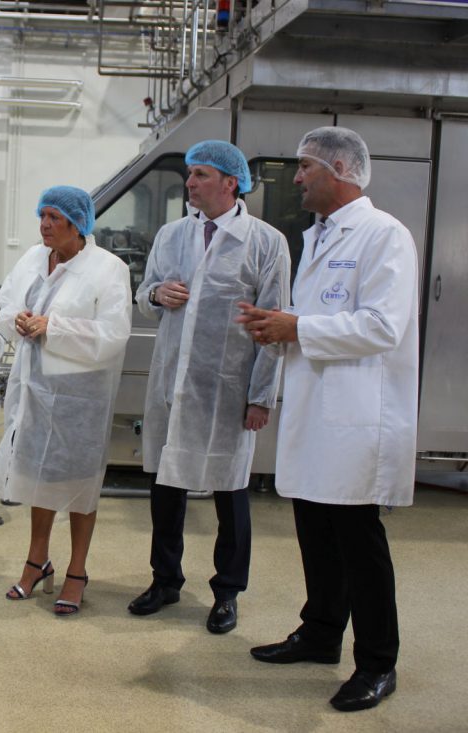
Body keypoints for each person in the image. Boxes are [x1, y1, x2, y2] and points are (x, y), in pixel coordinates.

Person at [237, 127, 418, 712]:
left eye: (305, 167)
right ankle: (320, 634)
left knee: (358, 542)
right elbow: (322, 317)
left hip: (357, 416)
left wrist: (298, 327)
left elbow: (382, 327)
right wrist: (280, 325)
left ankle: (378, 663)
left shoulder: (383, 234)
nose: (296, 178)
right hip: (317, 410)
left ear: (340, 169)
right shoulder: (317, 236)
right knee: (315, 530)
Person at [130, 140, 291, 634]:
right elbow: (143, 295)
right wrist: (157, 293)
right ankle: (165, 580)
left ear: (230, 182)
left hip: (228, 390)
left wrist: (261, 396)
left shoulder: (266, 243)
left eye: (200, 174)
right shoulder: (172, 234)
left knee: (230, 493)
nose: (190, 182)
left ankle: (227, 592)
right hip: (173, 384)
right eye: (190, 173)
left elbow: (273, 327)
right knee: (166, 488)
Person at [0, 185, 132, 616]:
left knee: (80, 485)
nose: (45, 225)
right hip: (33, 389)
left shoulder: (108, 269)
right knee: (40, 476)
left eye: (54, 218)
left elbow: (113, 334)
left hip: (79, 397)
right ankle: (37, 561)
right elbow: (6, 303)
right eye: (42, 216)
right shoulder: (34, 258)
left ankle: (77, 571)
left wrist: (54, 327)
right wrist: (17, 320)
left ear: (78, 224)